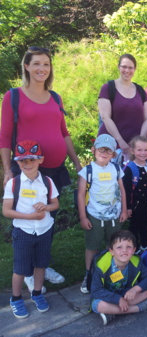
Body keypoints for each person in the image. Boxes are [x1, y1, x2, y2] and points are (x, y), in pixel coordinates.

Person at [0, 47, 81, 292]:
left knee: (47, 220)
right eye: (36, 64)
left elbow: (63, 133)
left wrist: (77, 163)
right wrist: (7, 171)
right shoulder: (13, 96)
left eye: (46, 64)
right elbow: (4, 137)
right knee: (26, 224)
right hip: (28, 170)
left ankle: (41, 266)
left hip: (54, 171)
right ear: (26, 66)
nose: (41, 69)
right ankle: (25, 271)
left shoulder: (55, 97)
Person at [4, 140, 59, 319]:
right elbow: (6, 210)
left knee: (41, 264)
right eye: (22, 161)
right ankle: (16, 298)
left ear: (40, 160)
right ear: (17, 162)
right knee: (20, 268)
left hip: (44, 230)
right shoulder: (13, 184)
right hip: (23, 231)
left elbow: (55, 203)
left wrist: (46, 207)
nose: (27, 164)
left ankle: (37, 293)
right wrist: (31, 217)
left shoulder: (47, 181)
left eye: (32, 160)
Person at [78, 134, 128, 293]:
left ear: (113, 154)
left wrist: (124, 210)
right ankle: (89, 275)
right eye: (101, 149)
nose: (104, 153)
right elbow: (80, 195)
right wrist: (83, 217)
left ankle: (111, 273)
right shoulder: (88, 171)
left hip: (114, 216)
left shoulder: (116, 168)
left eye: (109, 151)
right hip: (95, 216)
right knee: (92, 246)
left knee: (113, 245)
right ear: (94, 150)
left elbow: (122, 190)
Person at [90, 230, 147, 326]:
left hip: (125, 293)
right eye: (119, 247)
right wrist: (118, 300)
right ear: (111, 251)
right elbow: (96, 290)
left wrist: (135, 289)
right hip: (106, 297)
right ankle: (139, 308)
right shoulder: (102, 266)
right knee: (99, 306)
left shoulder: (135, 261)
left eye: (129, 247)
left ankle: (112, 312)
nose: (124, 250)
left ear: (134, 249)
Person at [97, 54, 147, 162]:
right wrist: (120, 141)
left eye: (130, 67)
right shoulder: (108, 88)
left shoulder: (140, 90)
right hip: (111, 147)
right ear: (119, 67)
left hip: (134, 150)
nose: (127, 70)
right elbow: (105, 117)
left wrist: (139, 143)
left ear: (135, 69)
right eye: (124, 67)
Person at [123, 136, 147, 254]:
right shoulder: (130, 169)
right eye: (139, 150)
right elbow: (127, 190)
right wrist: (128, 207)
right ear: (132, 151)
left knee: (145, 223)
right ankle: (135, 247)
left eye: (146, 150)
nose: (143, 153)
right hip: (135, 203)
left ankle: (145, 244)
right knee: (134, 225)